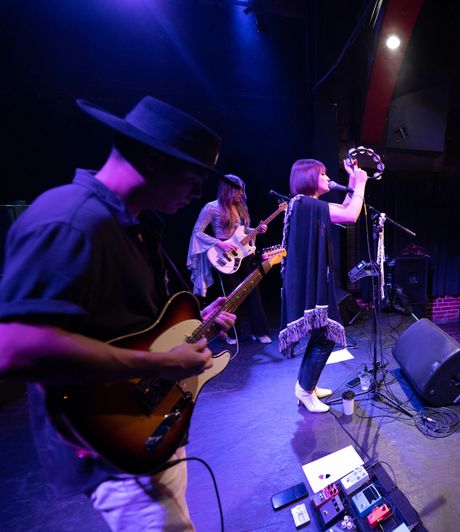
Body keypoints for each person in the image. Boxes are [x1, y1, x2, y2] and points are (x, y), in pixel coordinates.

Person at [0, 96, 237, 530]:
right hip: (117, 455)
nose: (197, 192)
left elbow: (134, 323)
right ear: (153, 158)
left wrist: (199, 317)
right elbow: (12, 349)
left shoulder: (134, 223)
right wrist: (161, 365)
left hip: (149, 428)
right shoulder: (70, 220)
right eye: (193, 176)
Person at [279, 158, 368, 413]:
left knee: (321, 335)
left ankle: (307, 385)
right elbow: (351, 215)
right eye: (323, 174)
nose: (328, 178)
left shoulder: (306, 205)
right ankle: (305, 390)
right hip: (308, 280)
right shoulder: (306, 204)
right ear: (308, 177)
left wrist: (352, 179)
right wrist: (361, 183)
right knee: (325, 336)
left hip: (308, 278)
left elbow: (344, 209)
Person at [188, 173, 272, 344]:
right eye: (238, 190)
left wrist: (257, 229)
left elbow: (244, 231)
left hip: (244, 254)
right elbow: (198, 232)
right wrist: (220, 243)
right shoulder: (211, 207)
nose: (241, 194)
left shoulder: (240, 207)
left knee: (253, 291)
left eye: (242, 190)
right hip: (224, 256)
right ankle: (232, 334)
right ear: (228, 190)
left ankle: (259, 331)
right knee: (231, 297)